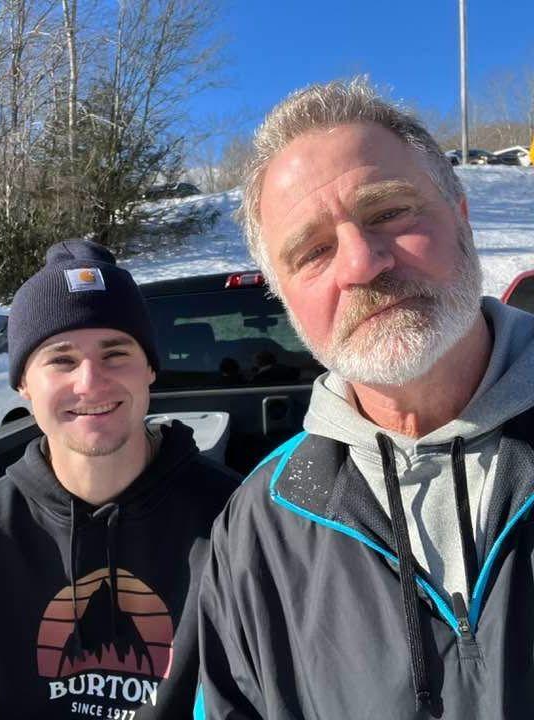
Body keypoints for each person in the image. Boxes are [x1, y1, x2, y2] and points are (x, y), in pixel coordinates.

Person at [197, 79, 534, 720]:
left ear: (461, 216)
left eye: (387, 213)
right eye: (313, 251)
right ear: (285, 298)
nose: (361, 263)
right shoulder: (259, 527)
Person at [0, 240, 240, 719]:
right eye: (61, 359)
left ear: (150, 369)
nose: (90, 382)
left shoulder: (232, 522)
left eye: (115, 353)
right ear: (23, 383)